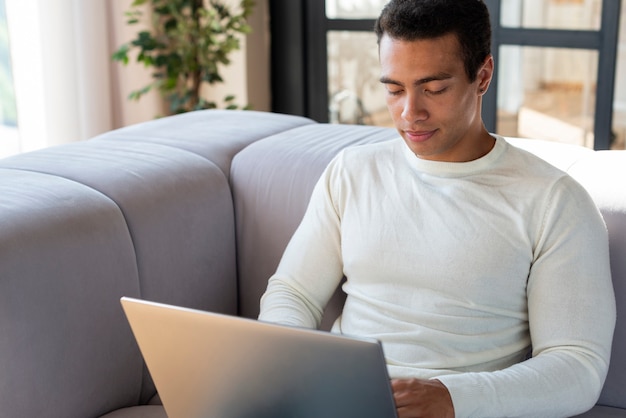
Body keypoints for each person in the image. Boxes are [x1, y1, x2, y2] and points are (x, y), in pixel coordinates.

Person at [258, 0, 616, 417]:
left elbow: (577, 365)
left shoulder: (554, 201)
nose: (410, 113)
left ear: (482, 76)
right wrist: (283, 366)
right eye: (394, 89)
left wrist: (452, 398)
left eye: (434, 88)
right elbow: (293, 293)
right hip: (342, 400)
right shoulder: (352, 172)